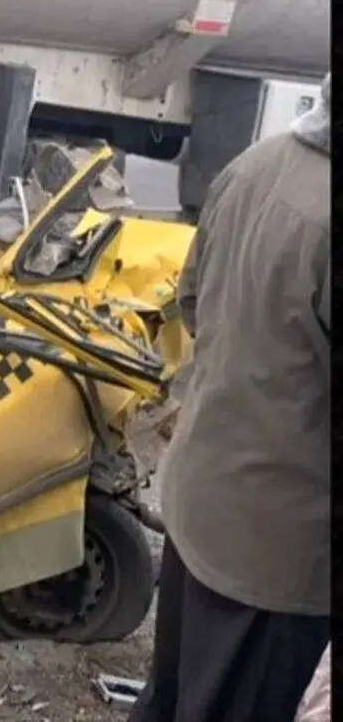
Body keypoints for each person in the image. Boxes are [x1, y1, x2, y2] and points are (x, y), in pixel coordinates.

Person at [129, 73, 331, 721]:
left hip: (203, 499)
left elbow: (192, 302)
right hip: (279, 554)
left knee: (175, 696)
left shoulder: (255, 164)